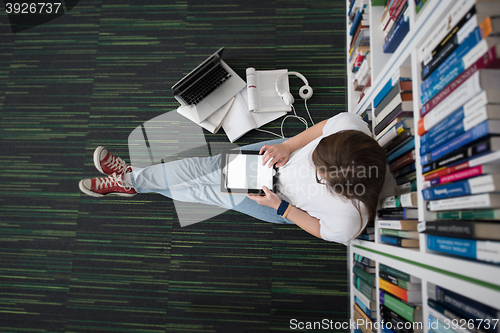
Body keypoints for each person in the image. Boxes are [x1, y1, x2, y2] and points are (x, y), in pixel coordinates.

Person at [79, 112, 387, 244]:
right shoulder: (351, 128)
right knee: (204, 167)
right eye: (317, 156)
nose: (313, 166)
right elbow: (321, 129)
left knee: (206, 192)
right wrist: (288, 146)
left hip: (279, 202)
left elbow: (320, 229)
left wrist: (281, 208)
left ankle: (131, 181)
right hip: (276, 157)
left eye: (318, 174)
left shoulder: (350, 220)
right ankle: (131, 181)